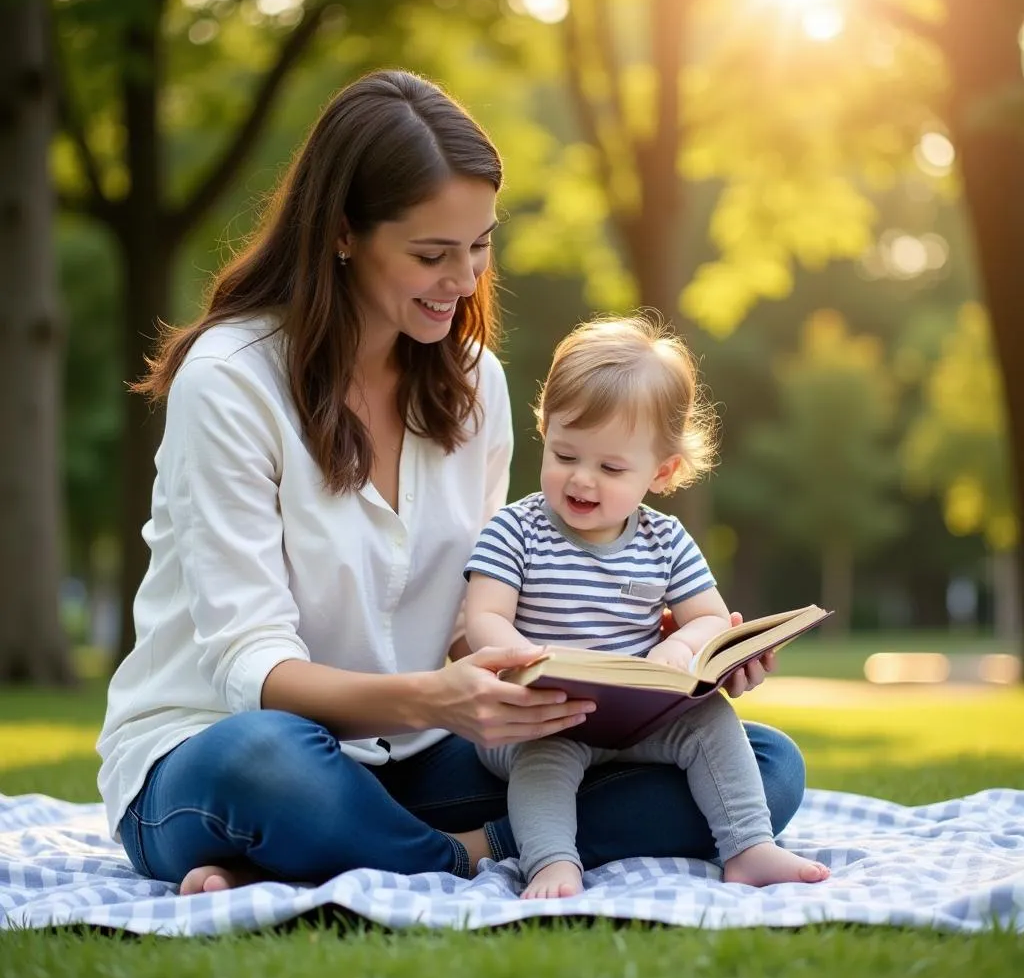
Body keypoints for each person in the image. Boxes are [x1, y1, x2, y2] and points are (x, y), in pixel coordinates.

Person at [96, 69, 805, 896]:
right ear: (342, 234)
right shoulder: (230, 382)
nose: (465, 281)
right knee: (269, 760)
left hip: (421, 756)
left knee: (762, 764)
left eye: (479, 246)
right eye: (432, 254)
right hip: (218, 748)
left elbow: (475, 617)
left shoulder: (475, 386)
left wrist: (656, 669)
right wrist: (436, 701)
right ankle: (463, 856)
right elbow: (252, 672)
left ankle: (335, 851)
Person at [465, 315, 830, 899]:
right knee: (546, 759)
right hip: (538, 712)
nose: (581, 480)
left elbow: (710, 617)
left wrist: (681, 648)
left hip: (633, 715)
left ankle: (749, 847)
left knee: (712, 721)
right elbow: (482, 615)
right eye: (564, 454)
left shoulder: (665, 540)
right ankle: (551, 862)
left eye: (610, 468)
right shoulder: (516, 529)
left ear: (662, 472)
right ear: (544, 429)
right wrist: (525, 658)